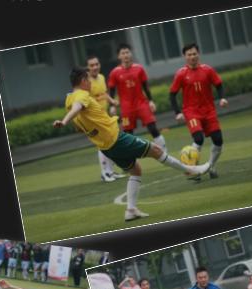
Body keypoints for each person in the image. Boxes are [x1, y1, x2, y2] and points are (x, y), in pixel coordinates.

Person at [53, 67, 209, 222]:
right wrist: (64, 121)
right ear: (83, 81)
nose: (90, 83)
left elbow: (79, 126)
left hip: (106, 147)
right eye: (88, 80)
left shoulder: (69, 99)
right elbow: (78, 107)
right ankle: (191, 170)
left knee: (136, 171)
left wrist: (89, 125)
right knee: (156, 150)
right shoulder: (81, 96)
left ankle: (131, 210)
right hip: (116, 139)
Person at [169, 43, 228, 179]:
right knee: (198, 138)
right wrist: (178, 112)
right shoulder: (181, 74)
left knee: (218, 140)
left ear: (198, 54)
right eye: (189, 54)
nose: (192, 57)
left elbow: (219, 84)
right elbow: (172, 94)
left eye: (194, 54)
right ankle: (193, 169)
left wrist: (222, 98)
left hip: (209, 111)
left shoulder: (208, 70)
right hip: (191, 112)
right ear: (184, 56)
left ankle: (210, 166)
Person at [107, 44, 165, 148]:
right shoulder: (115, 72)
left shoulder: (139, 68)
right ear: (119, 56)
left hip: (142, 104)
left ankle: (164, 151)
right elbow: (111, 90)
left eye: (127, 52)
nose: (126, 55)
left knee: (153, 128)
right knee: (128, 134)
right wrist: (112, 106)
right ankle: (132, 155)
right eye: (123, 53)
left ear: (131, 54)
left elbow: (145, 86)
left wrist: (151, 101)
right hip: (126, 108)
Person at [86, 56, 122, 182]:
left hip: (104, 115)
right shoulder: (86, 82)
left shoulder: (101, 77)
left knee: (111, 141)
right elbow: (84, 100)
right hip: (94, 119)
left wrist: (112, 102)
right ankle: (104, 173)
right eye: (92, 65)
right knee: (102, 144)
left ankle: (110, 171)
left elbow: (104, 94)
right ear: (88, 68)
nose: (95, 67)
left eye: (97, 64)